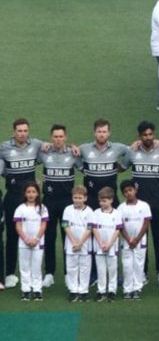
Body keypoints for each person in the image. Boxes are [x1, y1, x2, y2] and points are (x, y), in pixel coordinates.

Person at [122, 121, 159, 289]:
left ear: (154, 135)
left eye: (150, 134)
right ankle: (142, 272)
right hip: (139, 207)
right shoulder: (132, 152)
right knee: (139, 240)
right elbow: (121, 167)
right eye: (145, 135)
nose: (148, 137)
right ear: (140, 136)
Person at [0, 118, 44, 289]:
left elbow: (55, 147)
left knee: (34, 234)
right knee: (12, 235)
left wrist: (73, 146)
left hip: (31, 199)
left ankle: (34, 273)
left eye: (25, 131)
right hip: (12, 198)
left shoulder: (35, 144)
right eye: (19, 131)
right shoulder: (4, 147)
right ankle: (10, 273)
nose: (22, 134)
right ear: (14, 132)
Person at [38, 124, 82, 288]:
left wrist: (73, 146)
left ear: (65, 137)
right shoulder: (44, 152)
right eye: (55, 136)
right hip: (48, 202)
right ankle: (49, 273)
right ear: (51, 137)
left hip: (66, 204)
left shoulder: (73, 153)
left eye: (61, 136)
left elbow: (84, 168)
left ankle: (67, 274)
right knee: (49, 237)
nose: (58, 139)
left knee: (67, 238)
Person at [79, 118, 128, 209]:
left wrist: (123, 167)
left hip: (111, 200)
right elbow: (69, 152)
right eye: (99, 132)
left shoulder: (117, 148)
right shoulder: (84, 148)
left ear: (109, 133)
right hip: (91, 200)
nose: (102, 135)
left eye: (104, 132)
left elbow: (133, 151)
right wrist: (71, 146)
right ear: (94, 133)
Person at [14, 182, 49, 301]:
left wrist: (36, 239)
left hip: (38, 243)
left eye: (33, 192)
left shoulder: (42, 208)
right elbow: (18, 226)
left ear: (38, 193)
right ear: (25, 193)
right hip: (24, 243)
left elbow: (43, 225)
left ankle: (37, 290)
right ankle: (25, 290)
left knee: (36, 266)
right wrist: (25, 239)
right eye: (28, 192)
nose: (31, 194)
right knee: (24, 267)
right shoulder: (20, 208)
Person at [118, 180, 151, 300]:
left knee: (138, 265)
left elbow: (146, 223)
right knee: (127, 265)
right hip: (126, 242)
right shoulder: (121, 208)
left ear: (135, 190)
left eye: (130, 190)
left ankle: (137, 288)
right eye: (125, 191)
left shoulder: (144, 205)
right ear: (123, 194)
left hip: (140, 241)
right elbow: (120, 226)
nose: (128, 193)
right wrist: (128, 239)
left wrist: (137, 239)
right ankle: (127, 289)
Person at [62, 186, 94, 302]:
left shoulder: (89, 211)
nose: (77, 200)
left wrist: (80, 243)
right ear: (72, 198)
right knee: (71, 268)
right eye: (75, 197)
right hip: (71, 244)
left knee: (85, 268)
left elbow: (90, 228)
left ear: (85, 198)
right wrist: (73, 241)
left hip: (85, 245)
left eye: (80, 198)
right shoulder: (67, 209)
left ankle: (84, 291)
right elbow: (65, 225)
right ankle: (73, 290)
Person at [91, 187, 122, 302]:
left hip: (112, 247)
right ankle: (101, 291)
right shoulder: (96, 213)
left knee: (112, 269)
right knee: (101, 269)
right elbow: (94, 229)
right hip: (99, 246)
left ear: (111, 200)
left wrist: (109, 245)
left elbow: (117, 231)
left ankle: (112, 291)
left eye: (104, 201)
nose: (102, 203)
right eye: (100, 201)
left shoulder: (117, 213)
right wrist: (101, 243)